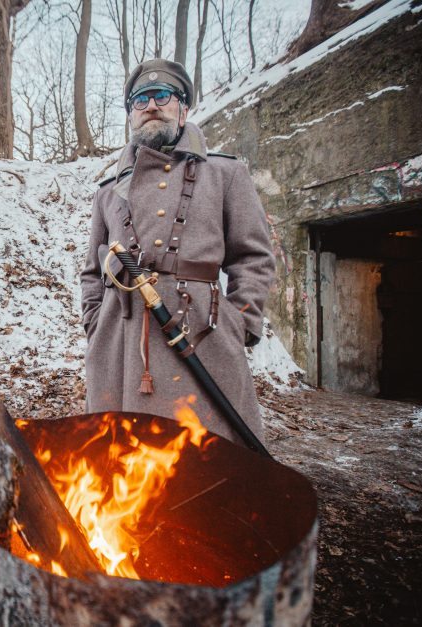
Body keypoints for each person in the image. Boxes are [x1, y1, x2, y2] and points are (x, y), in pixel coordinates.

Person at [80, 58, 275, 444]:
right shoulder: (108, 192)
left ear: (183, 108)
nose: (151, 105)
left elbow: (253, 257)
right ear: (131, 115)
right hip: (120, 336)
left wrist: (241, 323)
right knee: (122, 456)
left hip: (202, 331)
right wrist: (95, 322)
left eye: (162, 95)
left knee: (211, 454)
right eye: (140, 100)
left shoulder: (224, 174)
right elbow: (91, 271)